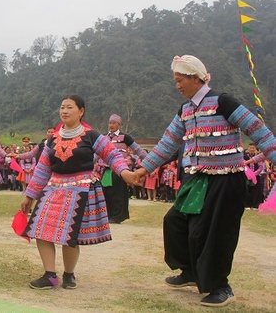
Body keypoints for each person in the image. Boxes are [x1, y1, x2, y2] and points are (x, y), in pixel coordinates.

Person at [135, 55, 276, 307]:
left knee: (215, 233)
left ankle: (221, 287)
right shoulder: (185, 110)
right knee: (175, 222)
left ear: (195, 77)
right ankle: (189, 271)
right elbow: (168, 143)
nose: (177, 85)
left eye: (180, 80)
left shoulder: (224, 102)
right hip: (197, 179)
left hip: (227, 179)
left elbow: (257, 130)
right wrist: (142, 169)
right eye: (175, 81)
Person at [20, 95, 138, 290]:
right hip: (53, 189)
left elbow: (112, 154)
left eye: (69, 107)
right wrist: (29, 195)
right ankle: (50, 275)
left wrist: (124, 172)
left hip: (81, 189)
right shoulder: (52, 139)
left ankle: (69, 274)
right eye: (62, 107)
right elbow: (42, 169)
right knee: (40, 229)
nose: (64, 111)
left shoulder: (91, 136)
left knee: (70, 236)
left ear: (81, 111)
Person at [97, 114, 147, 223]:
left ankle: (118, 216)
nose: (111, 125)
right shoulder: (103, 137)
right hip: (105, 170)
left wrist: (149, 161)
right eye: (110, 123)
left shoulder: (125, 138)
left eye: (114, 123)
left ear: (119, 124)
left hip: (120, 170)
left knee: (118, 193)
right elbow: (96, 154)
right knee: (106, 192)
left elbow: (138, 150)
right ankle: (108, 215)